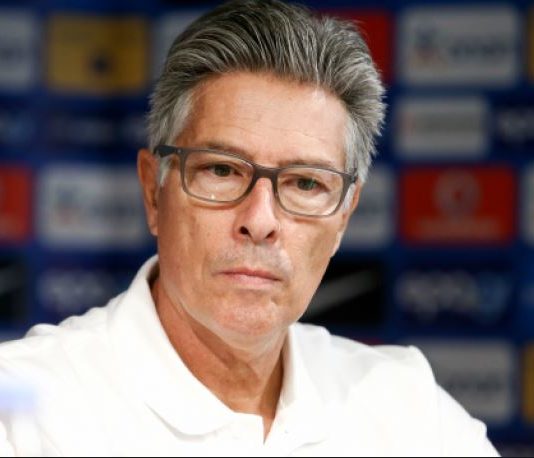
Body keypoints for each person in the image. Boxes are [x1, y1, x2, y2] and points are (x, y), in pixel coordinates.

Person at [0, 0, 499, 455]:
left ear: (344, 216)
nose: (260, 221)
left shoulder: (408, 411)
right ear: (154, 191)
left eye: (306, 183)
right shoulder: (22, 415)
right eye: (221, 170)